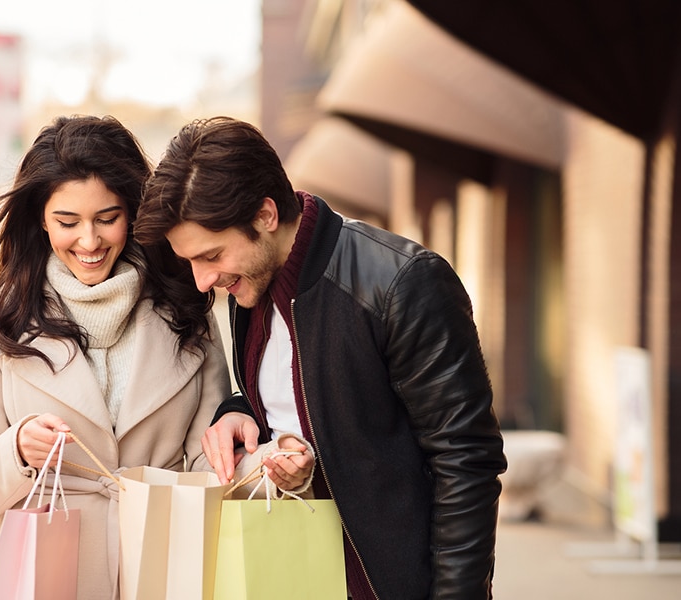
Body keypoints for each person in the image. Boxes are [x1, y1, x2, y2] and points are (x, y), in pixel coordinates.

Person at [134, 116, 508, 599]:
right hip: (292, 575)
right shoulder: (254, 288)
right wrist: (237, 409)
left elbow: (467, 461)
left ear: (266, 215)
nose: (203, 280)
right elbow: (302, 397)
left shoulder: (403, 283)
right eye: (190, 262)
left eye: (211, 256)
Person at [0, 115, 231, 600]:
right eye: (67, 222)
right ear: (41, 218)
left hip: (164, 571)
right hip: (52, 577)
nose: (89, 241)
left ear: (134, 212)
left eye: (107, 218)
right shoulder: (1, 319)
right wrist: (17, 450)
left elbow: (213, 464)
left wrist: (268, 460)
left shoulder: (186, 312)